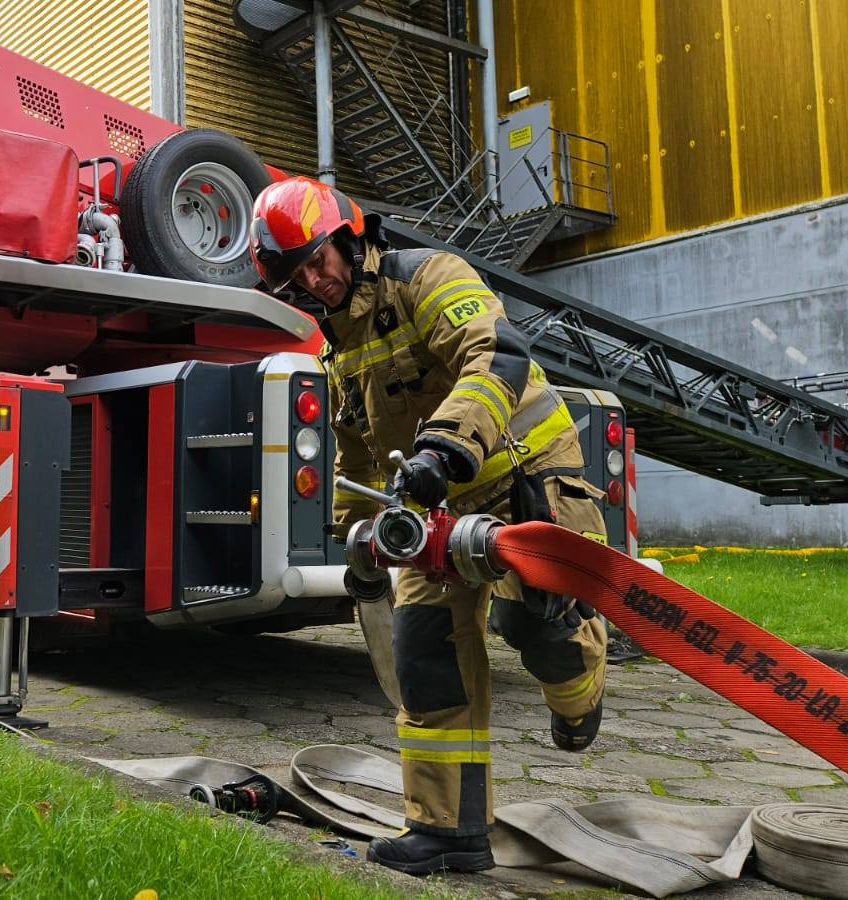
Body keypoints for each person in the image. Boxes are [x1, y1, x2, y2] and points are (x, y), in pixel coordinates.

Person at [250, 177, 609, 876]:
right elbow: (355, 452)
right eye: (298, 277)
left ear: (348, 238)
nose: (316, 281)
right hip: (433, 509)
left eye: (320, 259)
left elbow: (496, 354)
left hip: (524, 475)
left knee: (536, 626)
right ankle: (449, 832)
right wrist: (358, 541)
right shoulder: (338, 347)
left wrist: (443, 448)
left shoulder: (427, 276)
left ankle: (580, 692)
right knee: (424, 656)